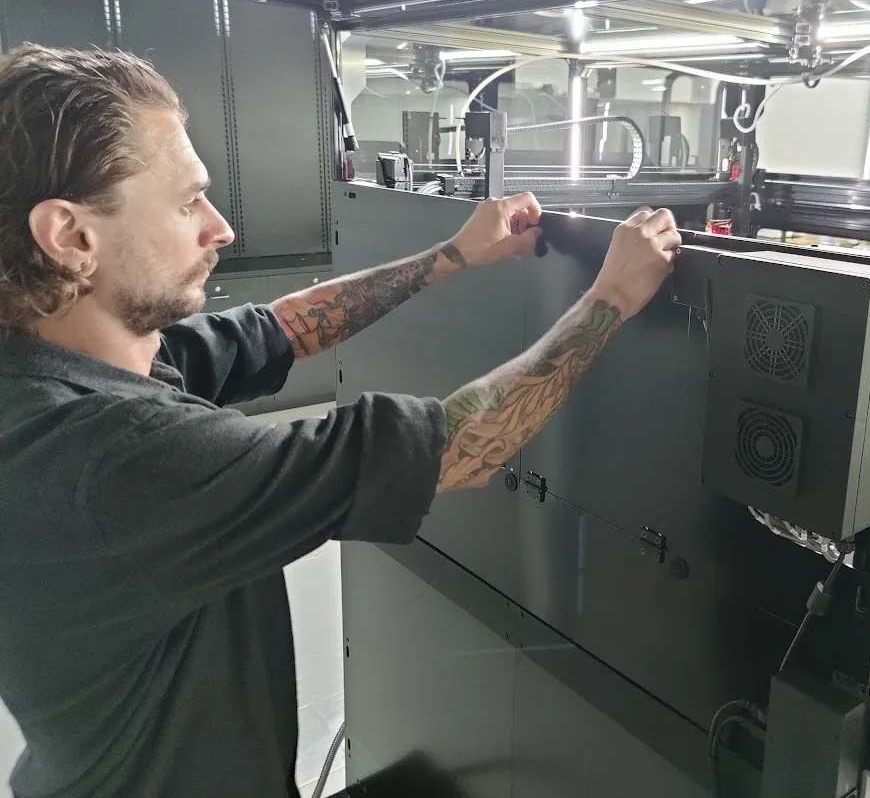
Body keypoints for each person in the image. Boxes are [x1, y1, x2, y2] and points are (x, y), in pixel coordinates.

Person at [0, 45, 681, 798]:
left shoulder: (59, 359)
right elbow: (456, 446)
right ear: (70, 235)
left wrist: (450, 256)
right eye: (186, 201)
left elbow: (278, 328)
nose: (219, 227)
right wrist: (611, 296)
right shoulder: (111, 463)